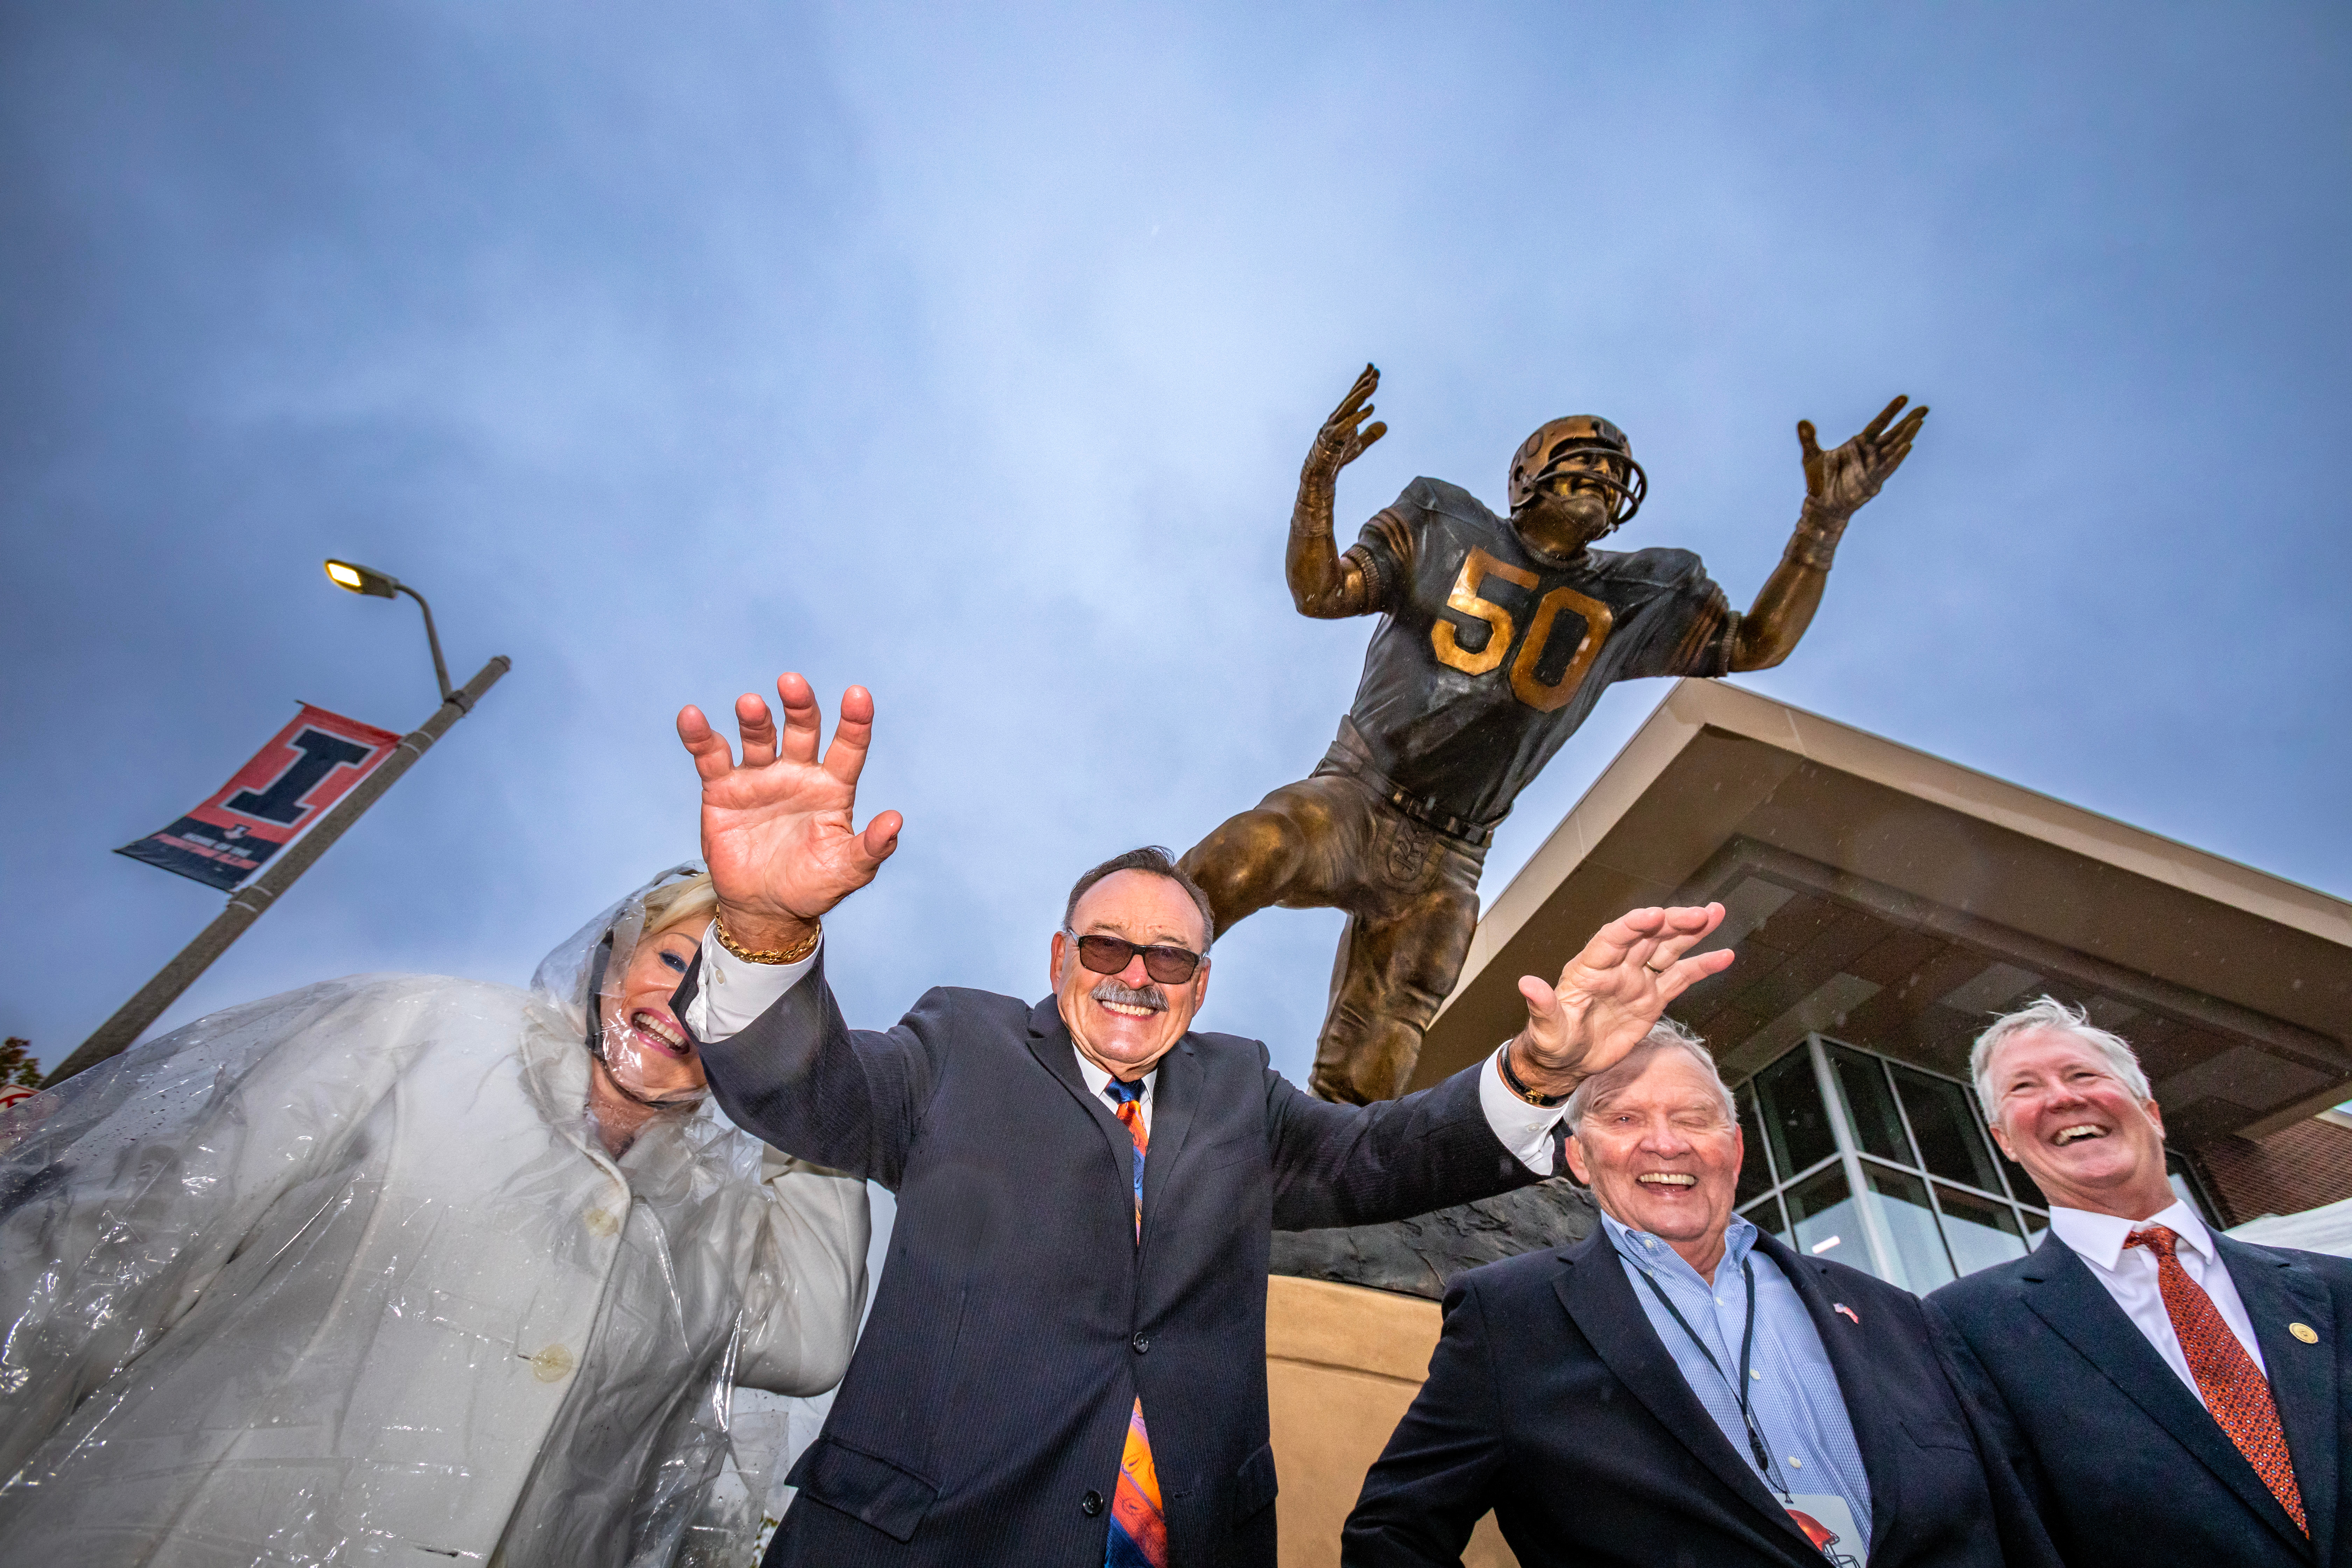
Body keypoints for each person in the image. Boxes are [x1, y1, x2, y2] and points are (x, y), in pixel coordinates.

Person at [668, 673, 1737, 1568]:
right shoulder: (961, 1048)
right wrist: (764, 922)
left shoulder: (1239, 1091)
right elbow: (803, 1091)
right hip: (925, 1542)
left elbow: (1381, 1161)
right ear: (1057, 961)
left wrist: (1538, 1069)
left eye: (1169, 959)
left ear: (1202, 987)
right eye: (1105, 949)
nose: (1136, 976)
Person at [0, 866, 869, 1568]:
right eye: (677, 961)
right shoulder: (422, 1030)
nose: (686, 1007)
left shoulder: (713, 1220)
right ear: (616, 955)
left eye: (732, 1007)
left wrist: (802, 1071)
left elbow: (810, 1340)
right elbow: (119, 1250)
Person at [1179, 364, 1928, 1102]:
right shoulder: (1443, 519)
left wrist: (1820, 527)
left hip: (1454, 851)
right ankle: (1121, 999)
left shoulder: (1638, 593)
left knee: (1376, 1062)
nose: (1603, 475)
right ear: (1526, 472)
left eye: (1614, 470)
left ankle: (1325, 1188)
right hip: (1360, 790)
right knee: (1254, 851)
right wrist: (1317, 488)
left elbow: (1756, 643)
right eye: (1587, 460)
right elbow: (1320, 591)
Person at [1344, 1022, 2014, 1568]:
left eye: (1694, 1118)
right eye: (1626, 1117)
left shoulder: (1896, 1314)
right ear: (1579, 1157)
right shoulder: (1510, 1318)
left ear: (1735, 1148)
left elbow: (2007, 1517)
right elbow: (1393, 1535)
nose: (1665, 1143)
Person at [1925, 998, 2352, 1567]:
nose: (2062, 1097)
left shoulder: (2333, 1289)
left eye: (2083, 1075)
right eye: (2024, 1087)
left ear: (2151, 1112)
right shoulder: (1966, 1327)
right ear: (2004, 1141)